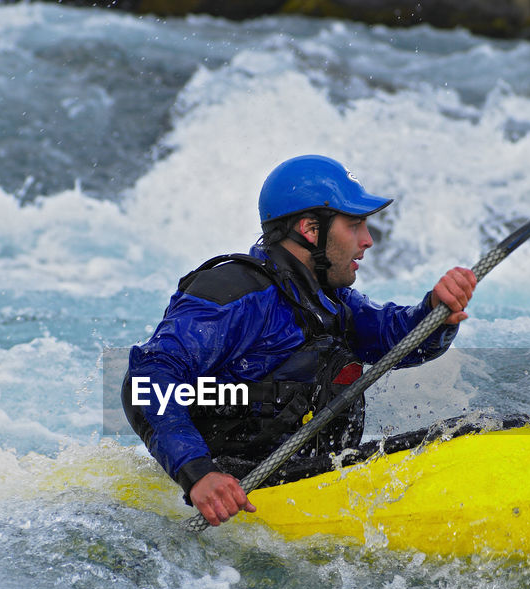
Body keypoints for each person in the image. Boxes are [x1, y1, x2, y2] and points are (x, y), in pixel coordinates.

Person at [123, 155, 476, 526]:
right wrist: (197, 473)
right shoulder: (235, 293)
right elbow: (147, 380)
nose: (367, 240)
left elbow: (399, 340)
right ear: (310, 229)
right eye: (355, 225)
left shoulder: (327, 301)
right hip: (236, 492)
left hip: (306, 477)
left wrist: (436, 311)